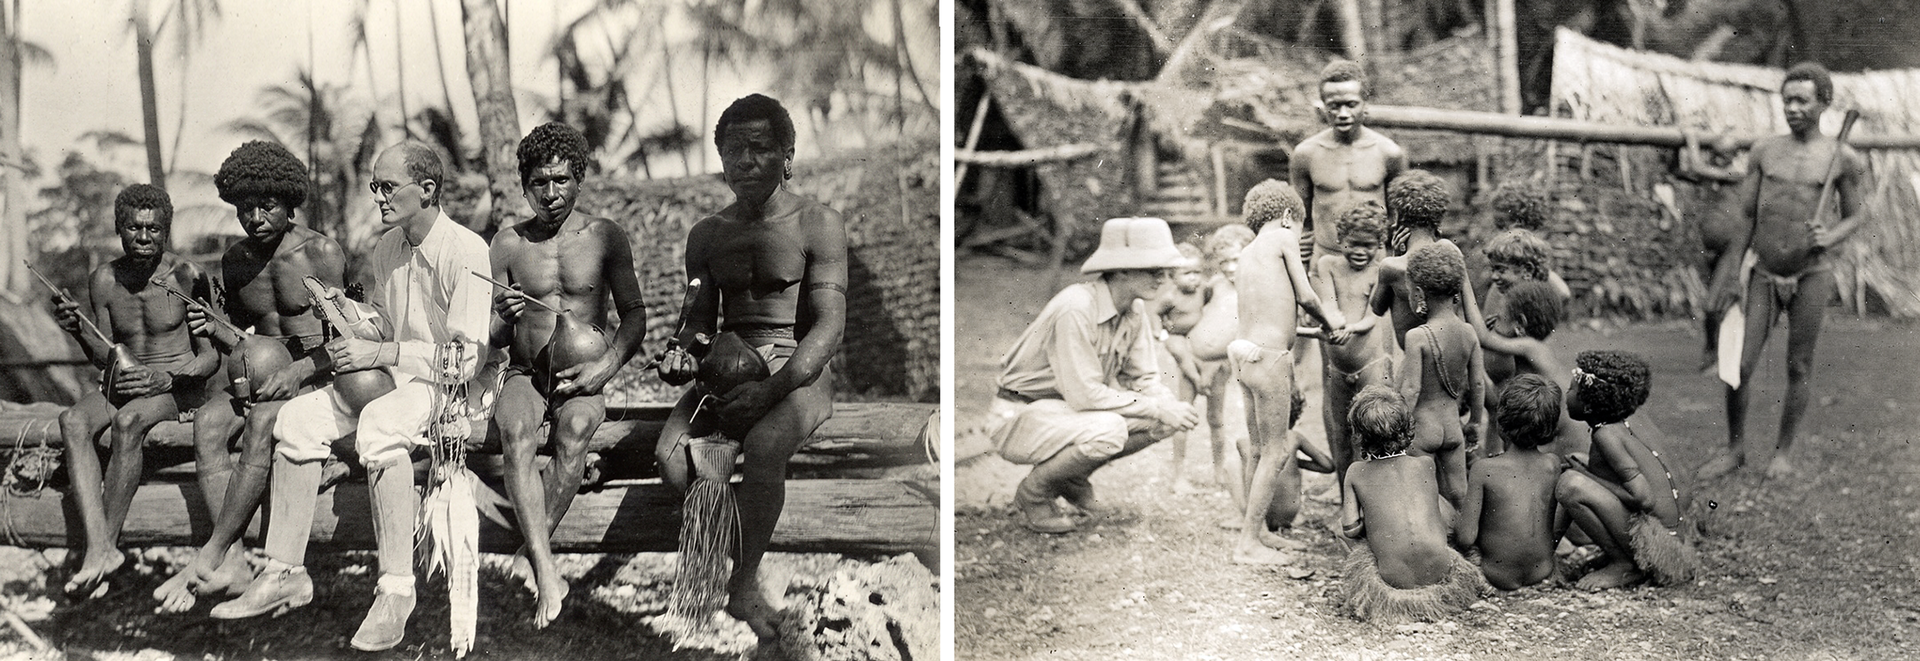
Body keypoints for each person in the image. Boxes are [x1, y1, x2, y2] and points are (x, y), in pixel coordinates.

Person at [210, 143, 492, 654]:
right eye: (374, 187)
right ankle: (284, 572)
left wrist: (379, 349)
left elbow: (465, 362)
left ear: (427, 190)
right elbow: (383, 321)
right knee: (293, 421)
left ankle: (396, 591)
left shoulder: (467, 250)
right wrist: (348, 313)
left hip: (453, 392)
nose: (379, 198)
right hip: (399, 378)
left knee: (379, 424)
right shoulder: (388, 248)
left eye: (388, 187)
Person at [652, 94, 852, 643]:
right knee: (669, 458)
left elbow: (829, 327)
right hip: (726, 363)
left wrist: (772, 393)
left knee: (763, 447)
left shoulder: (819, 223)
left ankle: (741, 582)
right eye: (732, 150)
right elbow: (696, 323)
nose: (744, 161)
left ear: (788, 155)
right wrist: (681, 355)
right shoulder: (707, 235)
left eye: (760, 149)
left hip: (797, 365)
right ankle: (724, 559)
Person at [155, 141, 349, 613]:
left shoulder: (321, 252)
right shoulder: (236, 260)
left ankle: (212, 551)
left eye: (268, 206)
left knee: (263, 424)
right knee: (208, 424)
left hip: (313, 372)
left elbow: (349, 337)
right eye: (246, 208)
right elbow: (238, 339)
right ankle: (234, 564)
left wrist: (302, 370)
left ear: (290, 201)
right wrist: (207, 322)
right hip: (259, 373)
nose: (256, 217)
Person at [489, 122, 650, 627]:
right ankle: (545, 569)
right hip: (524, 372)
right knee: (514, 432)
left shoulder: (604, 237)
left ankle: (526, 556)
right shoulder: (508, 243)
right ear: (524, 185)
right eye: (540, 183)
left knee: (576, 430)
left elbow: (635, 315)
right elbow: (492, 336)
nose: (551, 194)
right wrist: (504, 315)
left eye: (561, 180)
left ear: (579, 179)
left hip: (586, 370)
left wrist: (605, 368)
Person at [52, 184, 227, 597]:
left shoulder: (187, 276)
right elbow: (105, 354)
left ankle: (102, 550)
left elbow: (211, 358)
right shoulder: (104, 280)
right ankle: (101, 549)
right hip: (125, 383)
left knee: (129, 420)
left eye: (154, 229)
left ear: (166, 231)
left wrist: (168, 379)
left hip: (175, 388)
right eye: (134, 228)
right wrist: (77, 330)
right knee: (72, 420)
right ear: (119, 229)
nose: (144, 237)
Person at [1700, 62, 1869, 481]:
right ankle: (1735, 449)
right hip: (1762, 273)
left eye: (1802, 100)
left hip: (1812, 273)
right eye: (1787, 100)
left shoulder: (1842, 158)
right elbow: (1745, 215)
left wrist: (1829, 237)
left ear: (1824, 103)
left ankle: (1783, 454)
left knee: (1798, 367)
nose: (1792, 108)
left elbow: (1857, 215)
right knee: (1738, 365)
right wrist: (1733, 273)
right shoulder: (1765, 151)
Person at [985, 216, 1196, 533]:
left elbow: (1144, 378)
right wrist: (1159, 406)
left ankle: (1070, 478)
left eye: (1167, 270)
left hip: (1064, 415)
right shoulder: (1077, 307)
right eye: (1155, 269)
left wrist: (1167, 404)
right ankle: (1034, 493)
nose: (1164, 278)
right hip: (1019, 413)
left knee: (1161, 420)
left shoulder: (1134, 309)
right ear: (1122, 268)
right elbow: (1085, 395)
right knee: (1109, 428)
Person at [1229, 179, 1344, 564]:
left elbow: (1271, 314)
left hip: (1245, 358)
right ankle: (1247, 545)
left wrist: (1312, 329)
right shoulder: (1282, 239)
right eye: (1300, 226)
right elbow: (1306, 296)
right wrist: (1330, 322)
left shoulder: (1247, 253)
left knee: (1259, 450)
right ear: (1286, 217)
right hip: (1272, 359)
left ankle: (1258, 531)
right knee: (1275, 451)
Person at [1338, 386, 1488, 623]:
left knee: (1340, 528)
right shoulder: (1425, 464)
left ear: (1359, 435)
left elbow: (1350, 530)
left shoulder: (1356, 472)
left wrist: (1373, 521)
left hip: (1393, 579)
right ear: (1407, 428)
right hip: (1439, 568)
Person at [1557, 350, 1700, 589]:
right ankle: (1619, 556)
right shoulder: (1613, 426)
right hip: (1668, 542)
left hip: (1661, 551)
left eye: (1572, 391)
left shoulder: (1605, 435)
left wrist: (1586, 475)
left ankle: (1624, 564)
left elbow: (1643, 498)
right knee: (1578, 464)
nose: (1566, 395)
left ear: (1590, 406)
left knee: (1571, 485)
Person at [1289, 59, 1409, 263]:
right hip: (1325, 259)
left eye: (1351, 105)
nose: (1343, 114)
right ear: (1323, 107)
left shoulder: (1389, 153)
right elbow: (1299, 215)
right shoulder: (1305, 154)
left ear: (1365, 104)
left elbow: (1401, 217)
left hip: (1375, 262)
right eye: (1334, 106)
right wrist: (1298, 241)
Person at [1396, 243, 1485, 514]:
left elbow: (1411, 389)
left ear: (1420, 293)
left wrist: (1396, 429)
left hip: (1423, 428)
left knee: (1420, 496)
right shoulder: (1469, 332)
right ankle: (1469, 545)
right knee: (1460, 493)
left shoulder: (1417, 336)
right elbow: (1478, 384)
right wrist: (1475, 424)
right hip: (1453, 427)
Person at [1456, 374, 1567, 590]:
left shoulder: (1483, 469)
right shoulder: (1552, 464)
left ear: (1501, 423)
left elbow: (1466, 538)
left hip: (1497, 574)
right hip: (1541, 570)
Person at [1310, 203, 1393, 490]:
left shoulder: (1381, 270)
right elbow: (1329, 305)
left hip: (1371, 365)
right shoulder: (1327, 265)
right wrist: (1333, 325)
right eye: (1352, 244)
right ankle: (1346, 497)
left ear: (1380, 245)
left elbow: (1373, 316)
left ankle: (1373, 495)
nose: (1359, 251)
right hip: (1338, 367)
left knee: (1372, 430)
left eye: (1368, 245)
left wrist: (1350, 329)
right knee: (1341, 432)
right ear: (1340, 239)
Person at [1475, 281, 1585, 457]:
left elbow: (1483, 337)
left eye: (1500, 316)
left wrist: (1463, 283)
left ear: (1520, 323)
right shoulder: (1530, 353)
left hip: (1574, 447)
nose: (1493, 319)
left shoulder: (1531, 347)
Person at [1184, 225, 1255, 496]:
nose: (1229, 267)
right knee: (1184, 414)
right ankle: (1179, 473)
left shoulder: (1253, 288)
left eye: (1236, 259)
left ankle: (1222, 471)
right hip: (1193, 361)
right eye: (1223, 261)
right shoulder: (1215, 285)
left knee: (1219, 419)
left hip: (1224, 364)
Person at [1372, 170, 1477, 351]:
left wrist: (1397, 256)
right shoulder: (1451, 252)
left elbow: (1377, 308)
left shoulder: (1391, 267)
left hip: (1416, 355)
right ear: (1437, 221)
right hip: (1453, 351)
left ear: (1397, 220)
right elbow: (1471, 314)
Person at [1676, 130, 1750, 369]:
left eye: (1723, 155)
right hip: (1709, 249)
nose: (1717, 159)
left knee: (1712, 305)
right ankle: (1715, 351)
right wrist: (1674, 148)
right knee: (1716, 306)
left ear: (1734, 155)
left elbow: (1697, 168)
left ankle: (1715, 352)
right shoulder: (1712, 177)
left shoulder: (1737, 173)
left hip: (1732, 248)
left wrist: (1690, 138)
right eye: (1714, 154)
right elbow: (1678, 172)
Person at [1156, 243, 1212, 493]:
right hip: (1178, 337)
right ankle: (1197, 381)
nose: (1194, 278)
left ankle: (1219, 471)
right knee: (1180, 353)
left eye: (1197, 272)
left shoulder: (1204, 291)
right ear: (1172, 276)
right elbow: (1156, 314)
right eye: (1187, 273)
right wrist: (1163, 334)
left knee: (1215, 418)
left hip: (1199, 340)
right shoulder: (1170, 297)